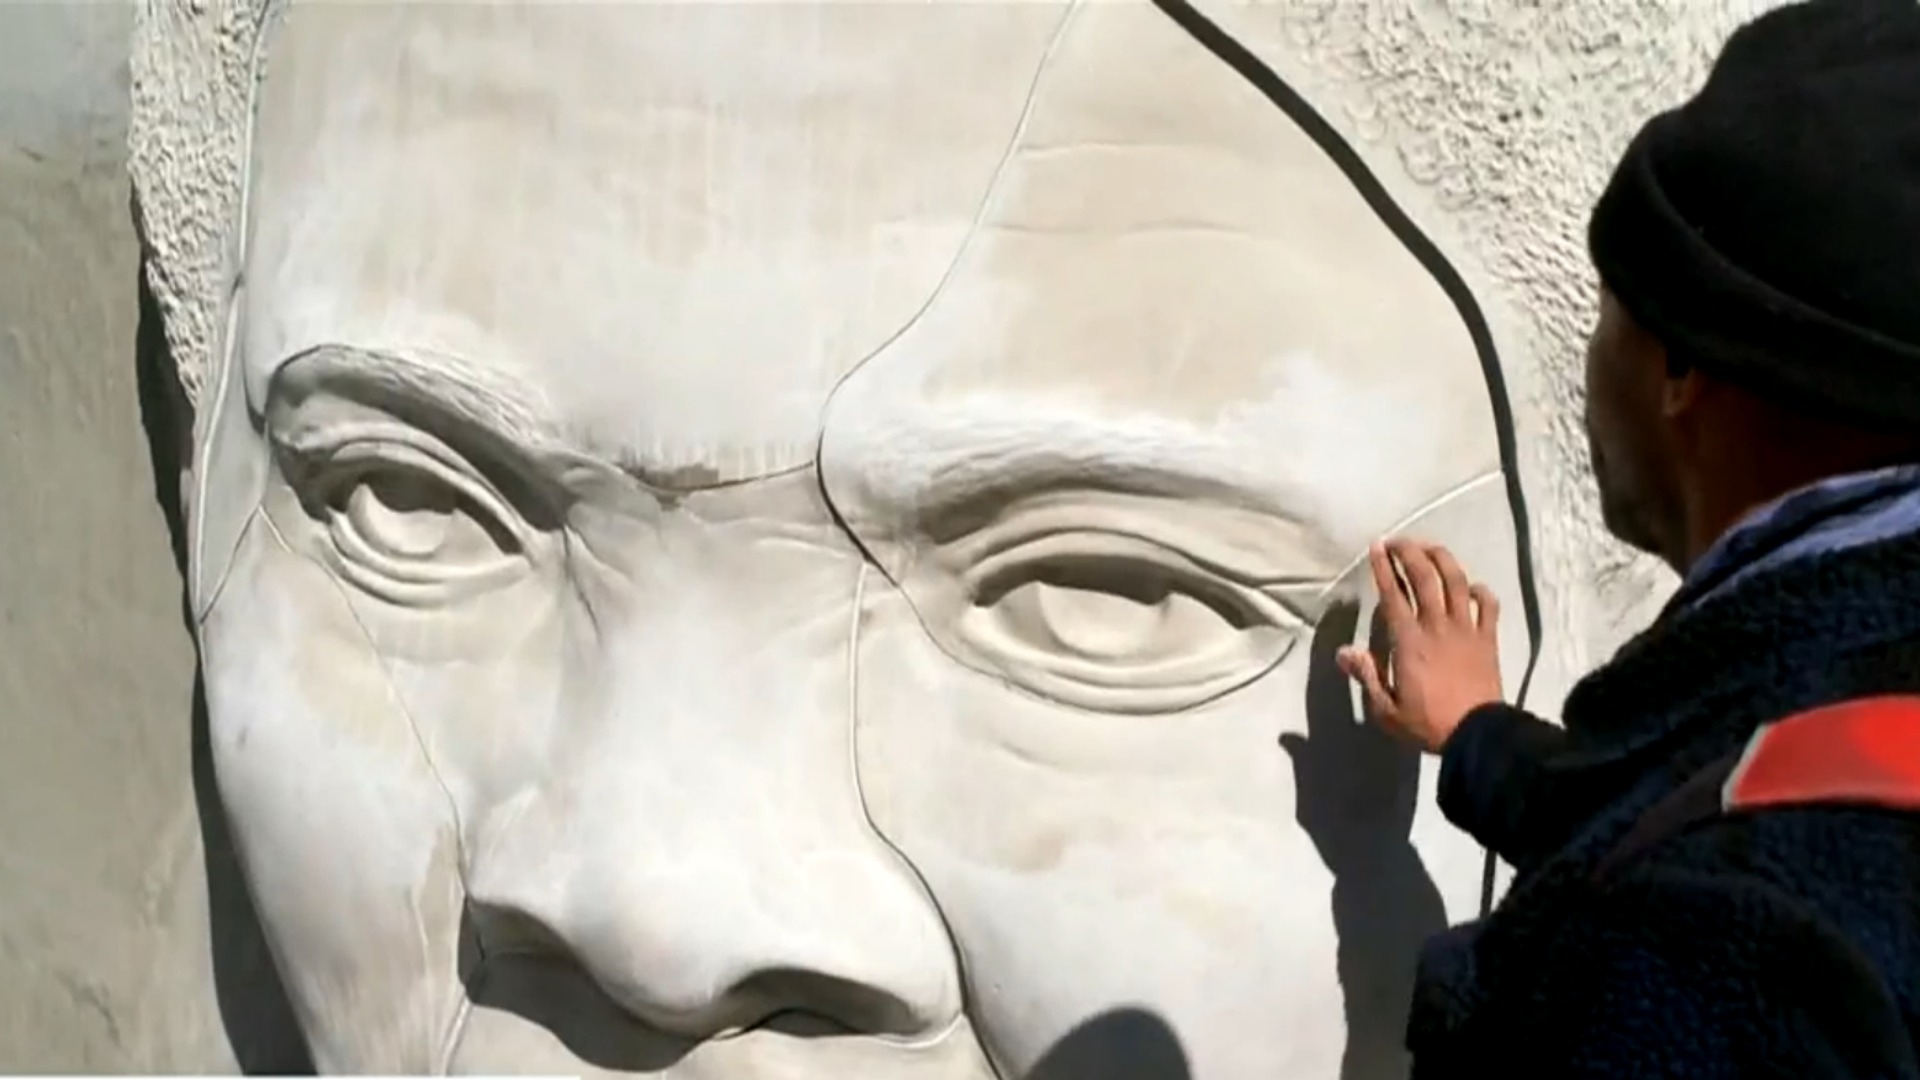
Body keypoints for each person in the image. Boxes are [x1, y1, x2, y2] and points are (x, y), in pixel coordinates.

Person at [1336, 0, 1920, 1075]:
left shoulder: (1708, 954)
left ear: (1681, 367)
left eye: (1611, 306)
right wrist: (1476, 733)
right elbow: (1721, 785)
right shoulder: (1835, 729)